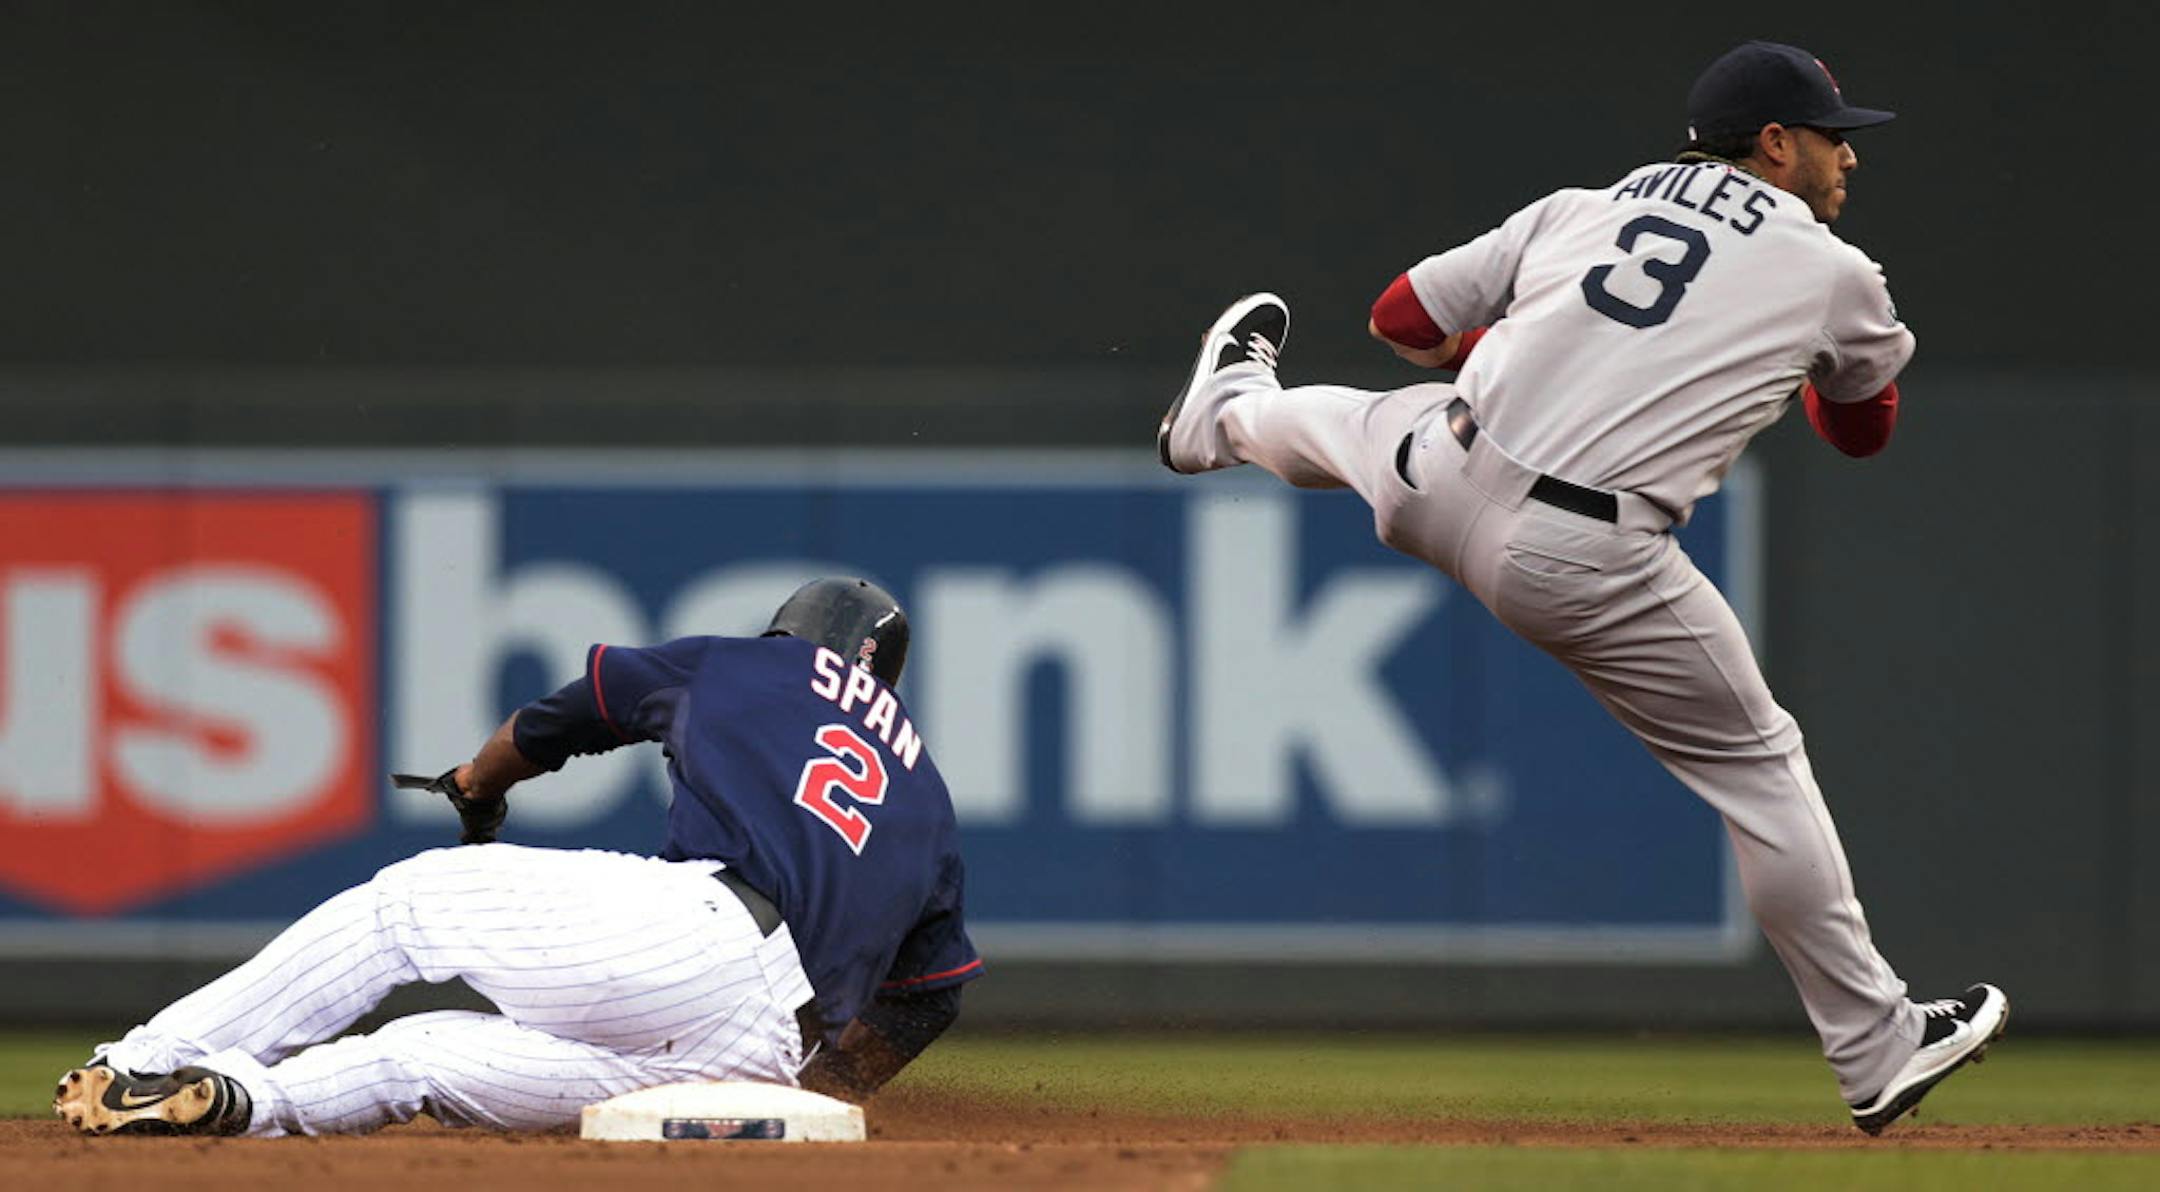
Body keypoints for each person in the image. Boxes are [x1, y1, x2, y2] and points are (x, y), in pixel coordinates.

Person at [1156, 40, 2003, 1135]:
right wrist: (1796, 363)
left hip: (1445, 467)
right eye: (1836, 136)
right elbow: (1862, 429)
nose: (1851, 157)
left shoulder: (1582, 206)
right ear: (1778, 144)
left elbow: (1400, 317)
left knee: (1349, 421)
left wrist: (1540, 343)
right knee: (1761, 769)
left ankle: (1220, 416)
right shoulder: (1832, 270)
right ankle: (1877, 1045)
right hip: (1583, 549)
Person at [54, 577, 981, 1137]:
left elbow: (574, 712)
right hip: (763, 1055)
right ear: (882, 675)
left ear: (793, 632)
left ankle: (143, 1060)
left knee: (407, 906)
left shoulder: (756, 664)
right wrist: (816, 1098)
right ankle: (232, 1104)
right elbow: (931, 996)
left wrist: (477, 782)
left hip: (704, 935)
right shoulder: (929, 798)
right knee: (413, 1059)